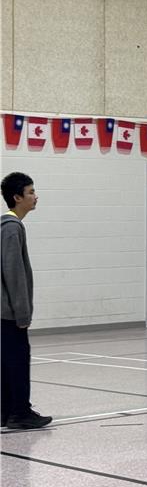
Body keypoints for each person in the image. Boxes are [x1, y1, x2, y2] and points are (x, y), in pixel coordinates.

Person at [1, 172, 51, 430]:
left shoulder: (7, 227)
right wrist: (22, 314)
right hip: (9, 313)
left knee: (6, 363)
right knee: (18, 361)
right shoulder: (12, 228)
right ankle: (20, 412)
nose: (35, 196)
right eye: (30, 192)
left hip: (4, 312)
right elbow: (14, 274)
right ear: (17, 197)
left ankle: (7, 412)